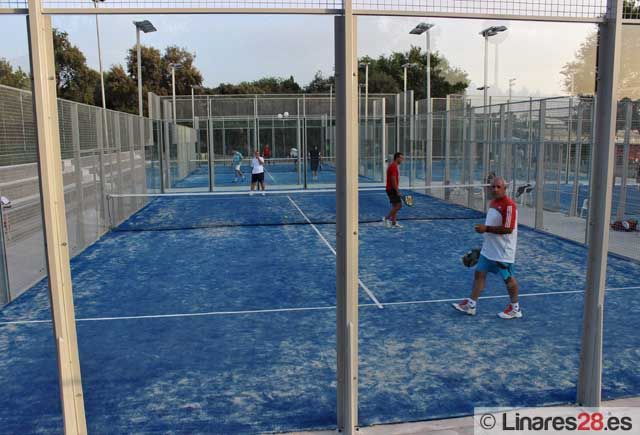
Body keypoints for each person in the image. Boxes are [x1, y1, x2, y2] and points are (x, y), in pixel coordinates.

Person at [452, 176, 522, 319]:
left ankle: (515, 309)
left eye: (498, 187)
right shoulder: (493, 203)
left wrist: (486, 229)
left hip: (502, 252)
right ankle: (471, 305)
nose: (495, 189)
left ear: (504, 189)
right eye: (493, 187)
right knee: (479, 274)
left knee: (508, 279)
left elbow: (508, 229)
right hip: (489, 249)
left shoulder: (509, 206)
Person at [383, 152, 404, 228]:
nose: (402, 160)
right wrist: (397, 191)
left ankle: (394, 223)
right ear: (397, 158)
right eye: (401, 158)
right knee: (399, 206)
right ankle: (386, 218)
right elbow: (393, 179)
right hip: (392, 189)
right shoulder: (393, 167)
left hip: (391, 189)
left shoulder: (393, 166)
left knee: (395, 206)